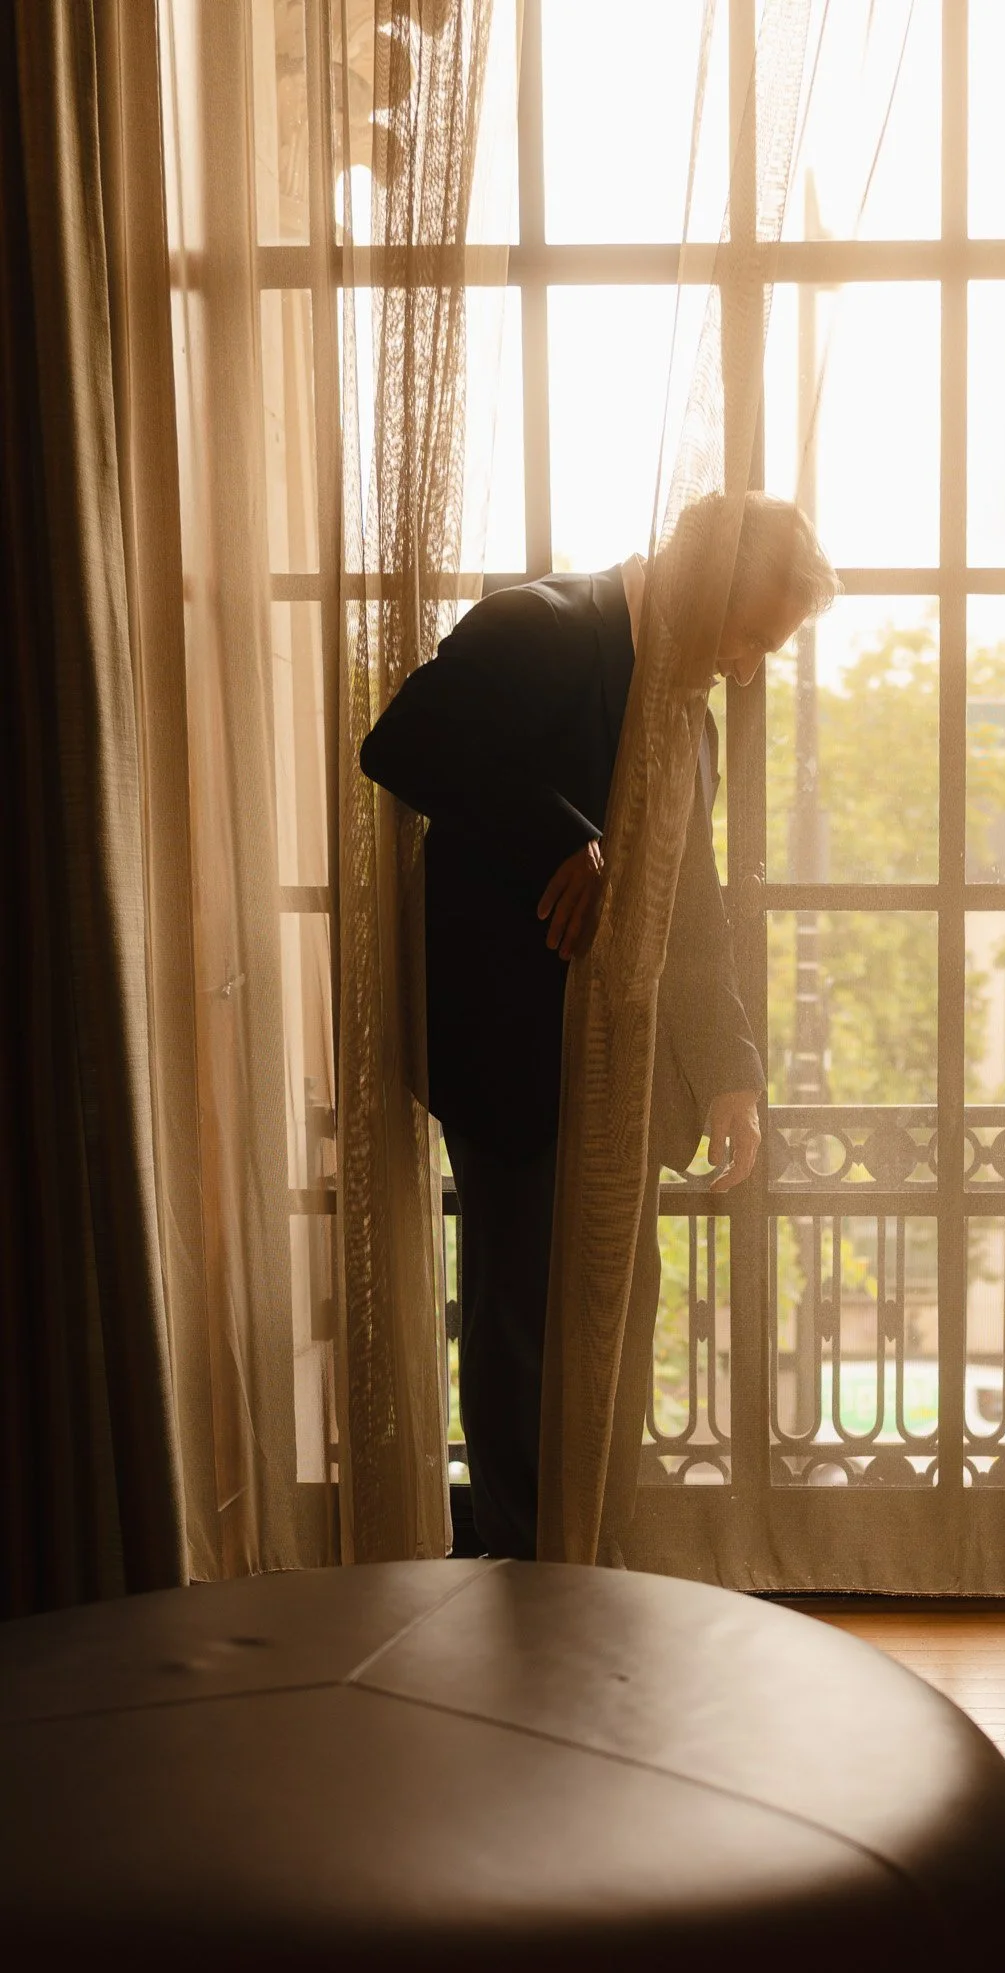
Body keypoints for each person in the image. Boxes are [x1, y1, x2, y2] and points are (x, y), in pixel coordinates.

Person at [359, 491, 839, 1557]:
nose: (748, 664)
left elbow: (696, 904)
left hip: (628, 1077)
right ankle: (527, 1575)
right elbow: (400, 742)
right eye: (749, 633)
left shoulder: (688, 713)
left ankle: (588, 1559)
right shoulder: (538, 625)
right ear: (694, 577)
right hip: (511, 1061)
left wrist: (730, 1073)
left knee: (616, 1324)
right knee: (519, 1321)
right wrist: (570, 839)